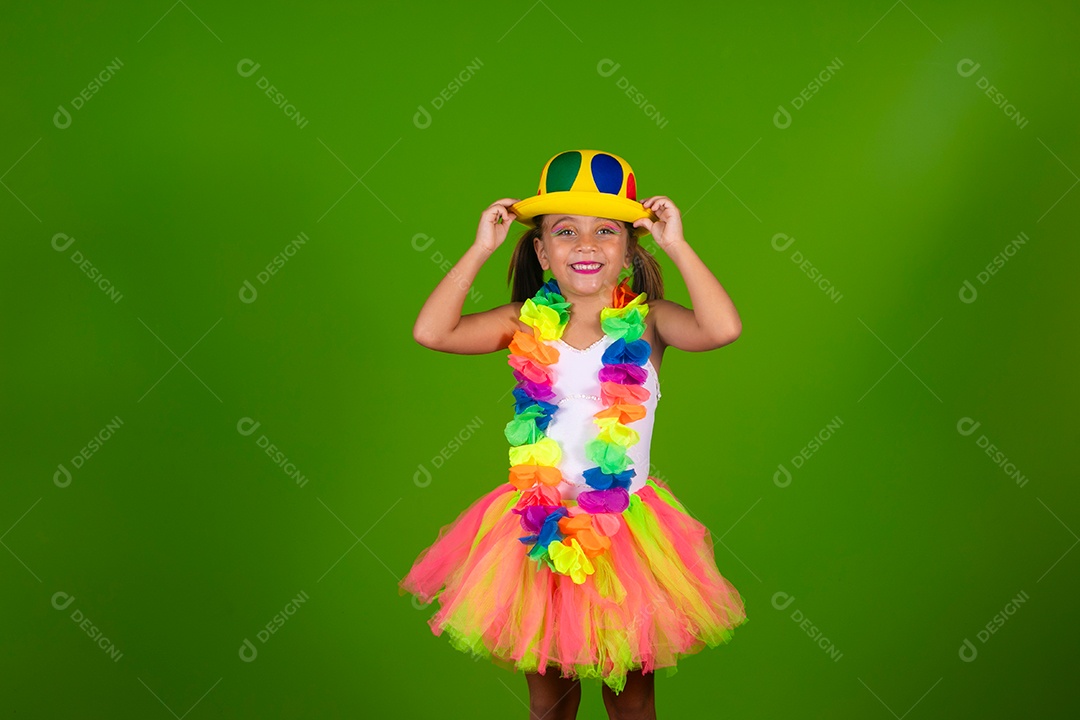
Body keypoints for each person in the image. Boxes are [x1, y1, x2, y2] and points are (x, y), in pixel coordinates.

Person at [399, 150, 748, 719]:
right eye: (565, 232)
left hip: (625, 532)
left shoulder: (650, 321)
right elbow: (432, 332)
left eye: (605, 231)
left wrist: (678, 245)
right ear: (542, 251)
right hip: (538, 530)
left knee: (632, 700)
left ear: (630, 250)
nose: (586, 245)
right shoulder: (523, 321)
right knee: (550, 700)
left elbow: (722, 327)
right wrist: (482, 248)